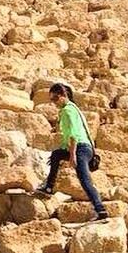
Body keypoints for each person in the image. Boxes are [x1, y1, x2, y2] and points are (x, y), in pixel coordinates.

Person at [37, 83, 108, 220]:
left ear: (64, 95)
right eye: (51, 99)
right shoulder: (74, 108)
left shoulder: (67, 111)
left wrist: (72, 154)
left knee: (85, 181)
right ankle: (49, 187)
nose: (54, 102)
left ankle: (101, 210)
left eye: (55, 98)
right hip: (87, 148)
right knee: (56, 154)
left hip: (79, 148)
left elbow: (73, 135)